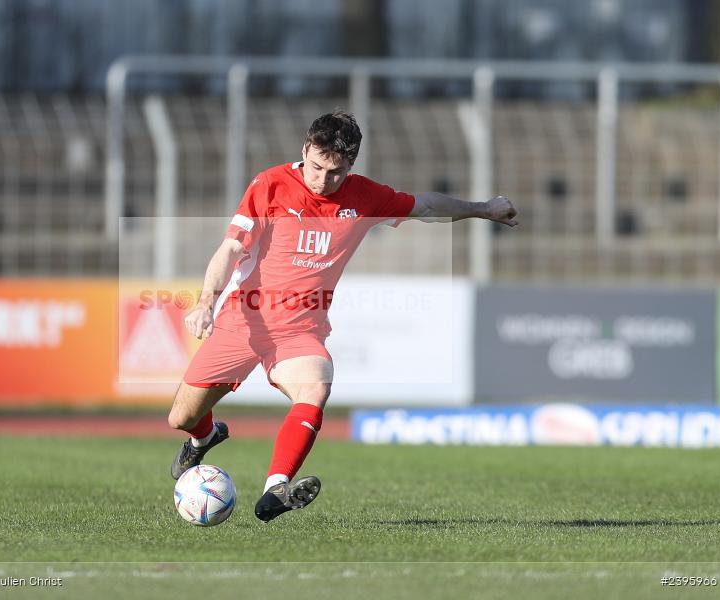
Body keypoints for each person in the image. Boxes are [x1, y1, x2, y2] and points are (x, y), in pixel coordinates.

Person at [168, 111, 517, 523]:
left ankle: (276, 488)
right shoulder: (270, 184)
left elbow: (426, 205)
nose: (322, 179)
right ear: (305, 150)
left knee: (315, 387)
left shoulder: (364, 196)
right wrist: (205, 302)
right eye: (316, 167)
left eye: (335, 172)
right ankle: (205, 436)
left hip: (300, 330)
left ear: (351, 164)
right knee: (181, 417)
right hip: (242, 321)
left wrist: (483, 209)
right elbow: (230, 248)